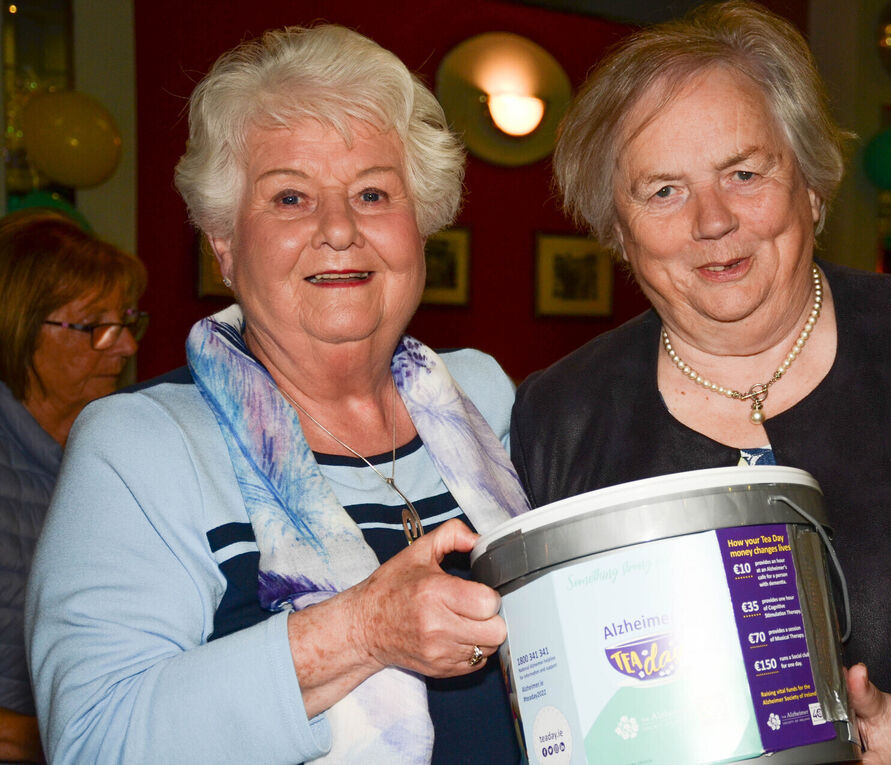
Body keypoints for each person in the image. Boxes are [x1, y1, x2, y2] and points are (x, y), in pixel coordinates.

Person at [510, 3, 891, 763]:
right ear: (618, 226)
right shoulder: (559, 413)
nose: (713, 219)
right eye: (663, 190)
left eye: (744, 172)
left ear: (809, 184)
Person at [26, 25, 528, 764]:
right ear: (225, 243)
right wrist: (358, 631)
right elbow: (97, 739)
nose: (338, 228)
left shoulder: (484, 397)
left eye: (373, 192)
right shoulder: (141, 445)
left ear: (421, 226)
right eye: (290, 197)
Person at [0, 209, 146, 763]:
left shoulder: (112, 445)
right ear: (18, 327)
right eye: (95, 326)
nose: (126, 347)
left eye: (128, 320)